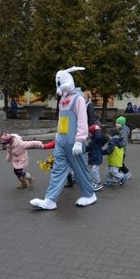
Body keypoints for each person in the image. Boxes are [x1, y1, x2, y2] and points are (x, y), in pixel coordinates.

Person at [29, 67, 96, 210]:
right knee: (58, 170)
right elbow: (61, 120)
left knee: (80, 169)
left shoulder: (78, 99)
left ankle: (89, 194)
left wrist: (79, 141)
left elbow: (83, 121)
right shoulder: (63, 100)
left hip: (74, 142)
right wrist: (58, 135)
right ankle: (50, 200)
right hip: (62, 140)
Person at [87, 125, 108, 191]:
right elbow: (88, 148)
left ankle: (97, 183)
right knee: (93, 171)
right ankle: (95, 182)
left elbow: (98, 136)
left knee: (94, 170)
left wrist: (97, 129)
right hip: (93, 158)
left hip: (97, 158)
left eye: (89, 132)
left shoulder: (97, 140)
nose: (88, 134)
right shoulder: (93, 140)